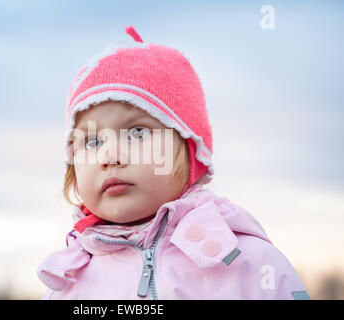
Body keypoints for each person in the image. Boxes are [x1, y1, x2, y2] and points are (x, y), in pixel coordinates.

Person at [37, 26, 310, 300]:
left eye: (137, 133)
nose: (110, 157)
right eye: (93, 142)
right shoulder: (67, 283)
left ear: (190, 148)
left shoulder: (247, 264)